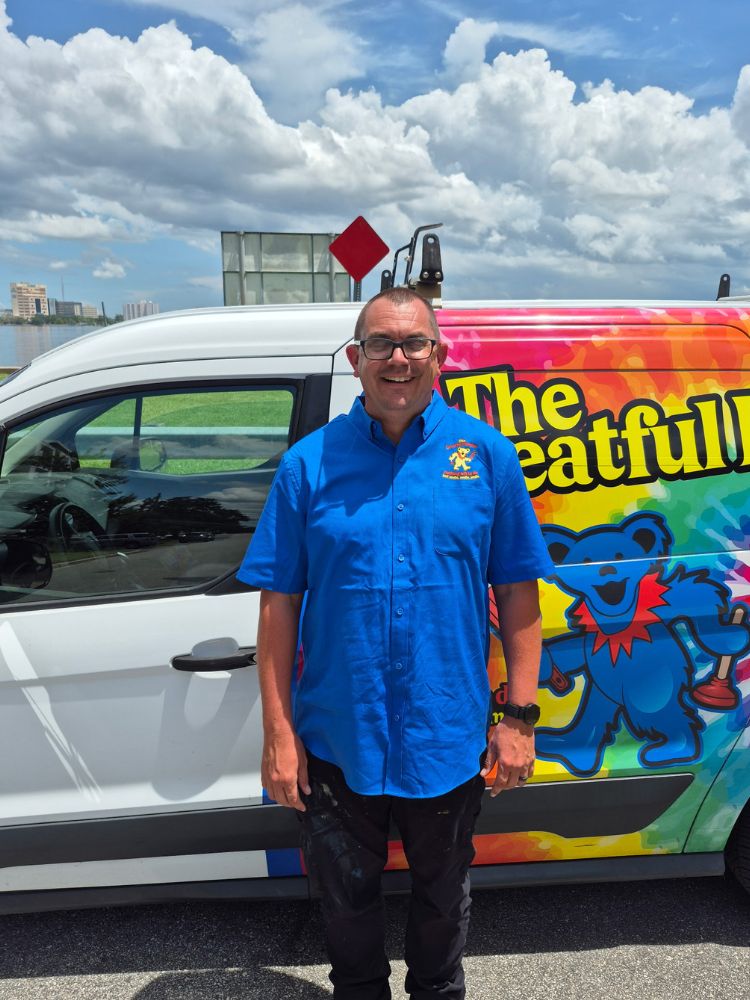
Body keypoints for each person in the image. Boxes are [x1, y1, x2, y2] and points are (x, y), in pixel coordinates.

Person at [237, 287, 553, 1000]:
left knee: (443, 901)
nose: (398, 358)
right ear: (356, 358)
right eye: (380, 343)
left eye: (414, 343)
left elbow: (519, 597)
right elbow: (278, 608)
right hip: (336, 738)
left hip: (447, 736)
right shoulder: (308, 466)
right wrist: (279, 735)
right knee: (344, 903)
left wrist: (518, 719)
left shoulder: (487, 458)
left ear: (440, 357)